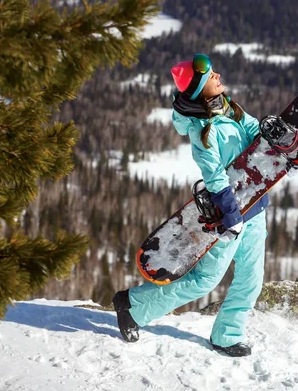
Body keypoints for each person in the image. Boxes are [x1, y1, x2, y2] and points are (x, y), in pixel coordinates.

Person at [112, 53, 269, 357]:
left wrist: (268, 135)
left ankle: (227, 335)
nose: (218, 76)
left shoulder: (230, 108)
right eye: (212, 76)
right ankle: (132, 305)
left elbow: (251, 131)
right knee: (204, 280)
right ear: (199, 90)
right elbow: (214, 176)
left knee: (251, 279)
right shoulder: (203, 133)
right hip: (227, 216)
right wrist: (231, 214)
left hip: (255, 207)